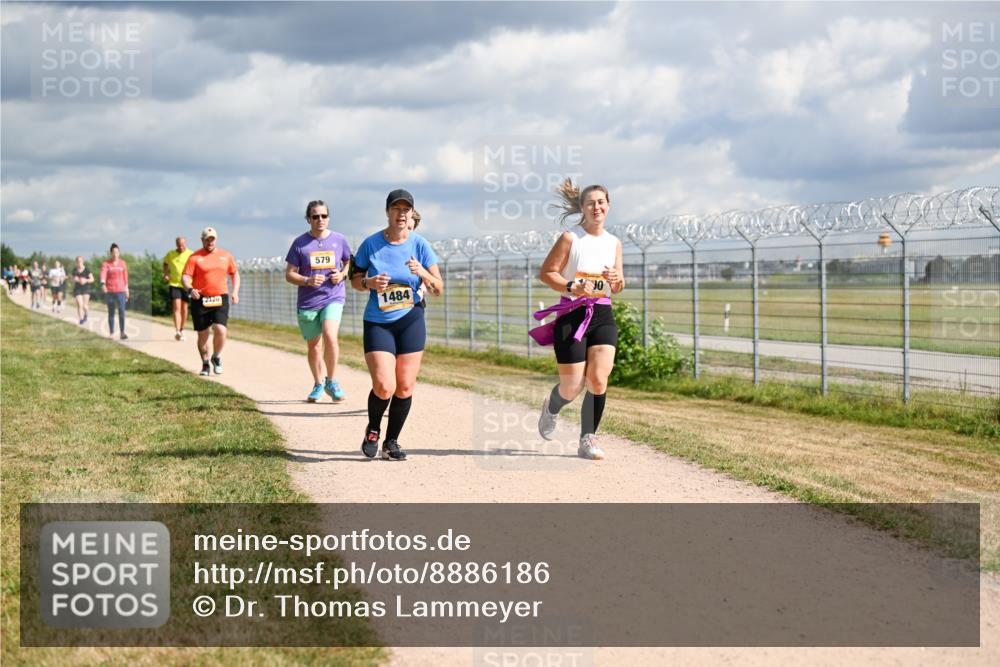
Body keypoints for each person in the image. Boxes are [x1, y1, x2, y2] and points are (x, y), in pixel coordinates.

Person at [533, 180, 625, 460]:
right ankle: (552, 406)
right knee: (572, 387)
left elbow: (619, 285)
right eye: (590, 203)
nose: (596, 207)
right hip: (572, 315)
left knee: (598, 379)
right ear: (582, 208)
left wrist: (617, 280)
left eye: (601, 202)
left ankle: (588, 439)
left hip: (603, 314)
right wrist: (572, 286)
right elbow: (547, 273)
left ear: (608, 205)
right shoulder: (570, 238)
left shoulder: (614, 242)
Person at [349, 189, 443, 461]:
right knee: (384, 386)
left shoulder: (420, 244)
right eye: (396, 209)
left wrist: (422, 272)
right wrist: (368, 283)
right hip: (379, 321)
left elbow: (438, 288)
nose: (401, 214)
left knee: (404, 387)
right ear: (388, 212)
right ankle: (373, 430)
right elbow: (355, 280)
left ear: (411, 213)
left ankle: (392, 442)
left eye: (406, 210)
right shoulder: (371, 244)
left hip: (411, 319)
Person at [284, 200, 351, 403]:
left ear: (328, 217)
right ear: (308, 219)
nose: (320, 219)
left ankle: (332, 380)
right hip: (308, 302)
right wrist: (308, 280)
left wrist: (342, 274)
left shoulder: (339, 240)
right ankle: (318, 383)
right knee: (314, 346)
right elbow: (289, 275)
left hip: (333, 296)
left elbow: (348, 261)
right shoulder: (299, 244)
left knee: (330, 335)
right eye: (315, 216)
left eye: (323, 215)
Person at [182, 227, 239, 376]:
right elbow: (185, 277)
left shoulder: (226, 256)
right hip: (200, 299)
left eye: (212, 239)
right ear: (202, 240)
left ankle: (217, 356)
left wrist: (235, 292)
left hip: (220, 297)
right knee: (203, 335)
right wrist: (190, 289)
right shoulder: (195, 257)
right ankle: (205, 363)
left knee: (221, 329)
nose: (210, 242)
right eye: (207, 239)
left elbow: (235, 274)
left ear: (216, 240)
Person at [162, 237, 194, 341]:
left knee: (184, 308)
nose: (181, 247)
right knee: (176, 307)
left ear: (185, 244)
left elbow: (196, 267)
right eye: (179, 245)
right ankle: (177, 331)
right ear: (176, 245)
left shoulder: (191, 254)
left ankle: (182, 328)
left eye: (183, 245)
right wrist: (166, 274)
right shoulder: (171, 254)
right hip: (174, 284)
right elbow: (165, 264)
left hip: (187, 285)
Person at [100, 244, 129, 340]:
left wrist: (127, 289)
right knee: (111, 312)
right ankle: (111, 333)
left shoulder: (123, 263)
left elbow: (125, 277)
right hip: (110, 291)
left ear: (119, 253)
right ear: (111, 253)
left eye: (117, 252)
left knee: (121, 311)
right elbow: (103, 274)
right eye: (114, 252)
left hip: (121, 291)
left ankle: (122, 333)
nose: (115, 254)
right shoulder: (106, 264)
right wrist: (103, 284)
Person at [71, 256, 94, 325]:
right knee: (79, 304)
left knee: (84, 306)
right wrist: (74, 279)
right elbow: (72, 279)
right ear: (76, 262)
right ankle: (81, 319)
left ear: (83, 261)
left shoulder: (87, 270)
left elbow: (92, 279)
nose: (79, 262)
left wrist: (86, 280)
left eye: (80, 261)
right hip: (77, 289)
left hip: (86, 288)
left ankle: (86, 314)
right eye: (78, 261)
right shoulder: (74, 270)